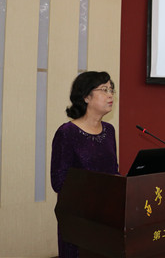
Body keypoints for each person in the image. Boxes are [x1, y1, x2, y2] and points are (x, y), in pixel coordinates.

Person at [51, 71, 119, 258]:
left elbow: (113, 171)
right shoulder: (67, 133)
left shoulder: (109, 130)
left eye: (111, 90)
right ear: (86, 97)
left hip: (107, 213)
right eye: (104, 90)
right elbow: (59, 182)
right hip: (78, 217)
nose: (110, 95)